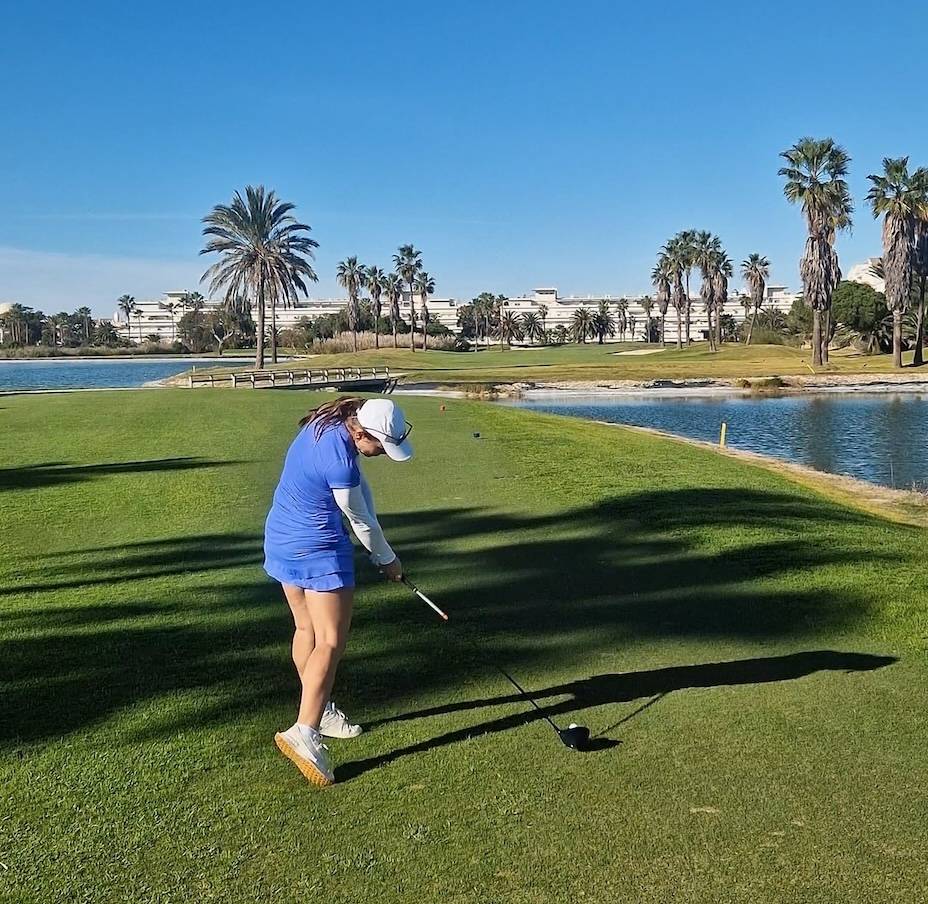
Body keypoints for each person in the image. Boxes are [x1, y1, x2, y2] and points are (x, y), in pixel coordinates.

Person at [264, 396, 412, 787]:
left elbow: (362, 495)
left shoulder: (328, 424)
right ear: (362, 432)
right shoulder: (341, 460)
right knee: (330, 639)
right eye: (380, 446)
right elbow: (359, 519)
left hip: (281, 539)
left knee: (306, 631)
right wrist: (387, 559)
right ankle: (305, 731)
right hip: (317, 549)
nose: (381, 453)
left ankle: (321, 709)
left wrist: (382, 547)